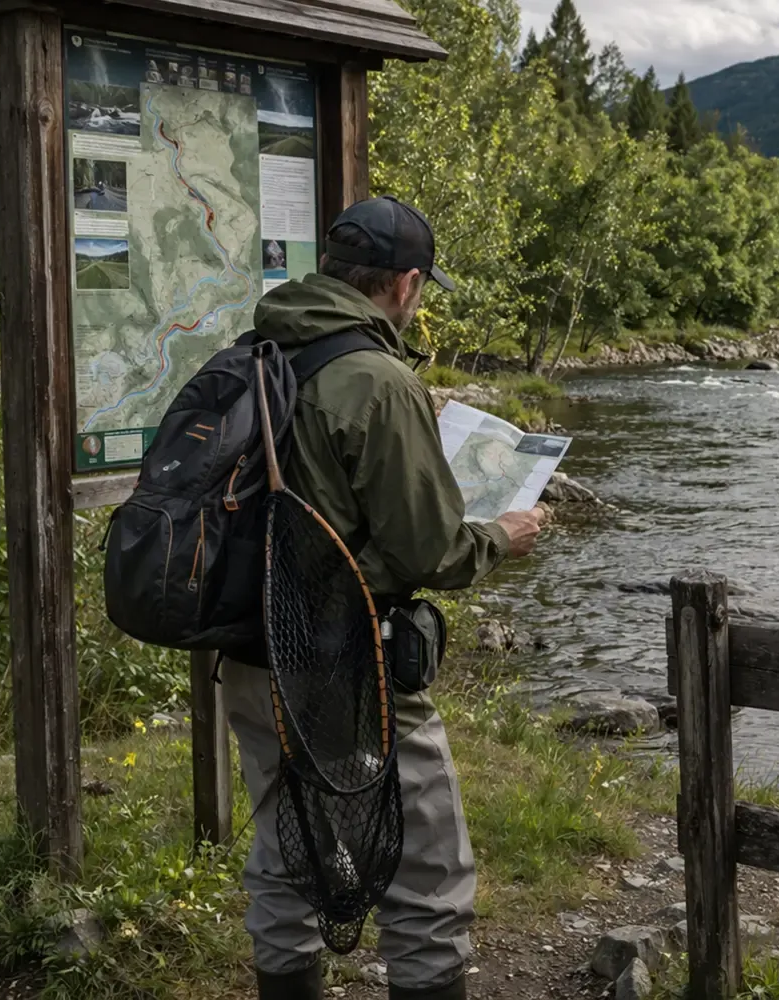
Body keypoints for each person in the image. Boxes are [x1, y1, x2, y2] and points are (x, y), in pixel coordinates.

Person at [225, 196, 545, 1000]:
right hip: (350, 665)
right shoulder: (376, 378)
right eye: (422, 286)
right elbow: (431, 552)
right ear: (404, 284)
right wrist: (504, 534)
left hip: (251, 651)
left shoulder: (259, 348)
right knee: (428, 869)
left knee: (282, 848)